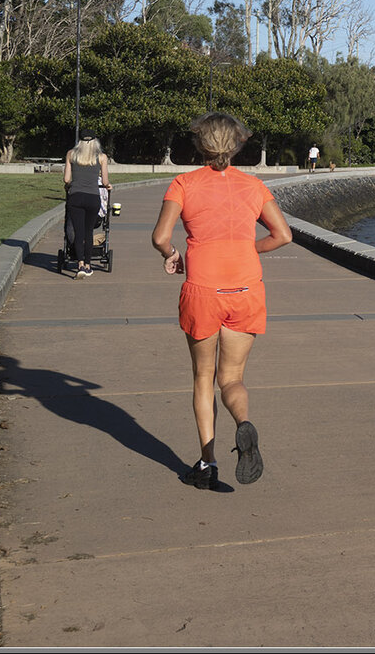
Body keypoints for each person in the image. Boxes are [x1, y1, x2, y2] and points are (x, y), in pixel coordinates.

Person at [151, 112, 293, 491]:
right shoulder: (253, 186)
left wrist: (173, 253)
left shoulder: (183, 183)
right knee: (233, 378)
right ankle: (243, 423)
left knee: (203, 378)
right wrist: (250, 249)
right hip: (246, 289)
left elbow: (160, 236)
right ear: (237, 145)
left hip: (203, 289)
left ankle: (208, 462)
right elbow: (283, 235)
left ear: (199, 144)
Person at [62, 135, 110, 279]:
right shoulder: (101, 157)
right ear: (95, 142)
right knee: (88, 232)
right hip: (92, 198)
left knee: (78, 232)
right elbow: (105, 180)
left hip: (76, 197)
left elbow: (66, 179)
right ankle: (88, 265)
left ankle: (80, 264)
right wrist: (107, 185)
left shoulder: (71, 154)